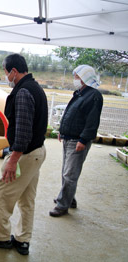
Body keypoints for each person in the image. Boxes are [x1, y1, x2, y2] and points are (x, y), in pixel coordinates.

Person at [0, 54, 48, 255]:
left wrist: (13, 160)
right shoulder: (35, 87)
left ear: (14, 72)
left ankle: (1, 238)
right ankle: (22, 240)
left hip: (26, 154)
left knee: (0, 196)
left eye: (5, 71)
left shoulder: (23, 92)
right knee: (27, 199)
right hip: (38, 151)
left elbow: (23, 130)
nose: (4, 75)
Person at [49, 65, 103, 217]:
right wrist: (62, 131)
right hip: (68, 137)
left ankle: (62, 206)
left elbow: (92, 122)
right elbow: (69, 113)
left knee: (69, 174)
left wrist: (84, 139)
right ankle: (69, 199)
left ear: (85, 78)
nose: (75, 80)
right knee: (66, 171)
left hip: (78, 140)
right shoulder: (80, 93)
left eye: (77, 77)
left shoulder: (94, 96)